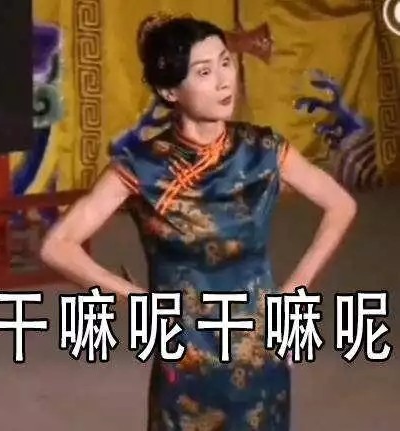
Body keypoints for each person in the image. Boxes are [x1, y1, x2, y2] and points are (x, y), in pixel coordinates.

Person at [40, 13, 357, 431]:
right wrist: (136, 300)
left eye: (226, 63)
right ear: (170, 90)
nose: (225, 81)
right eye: (205, 72)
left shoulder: (263, 149)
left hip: (261, 347)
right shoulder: (141, 167)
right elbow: (57, 246)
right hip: (185, 355)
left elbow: (341, 205)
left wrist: (295, 291)